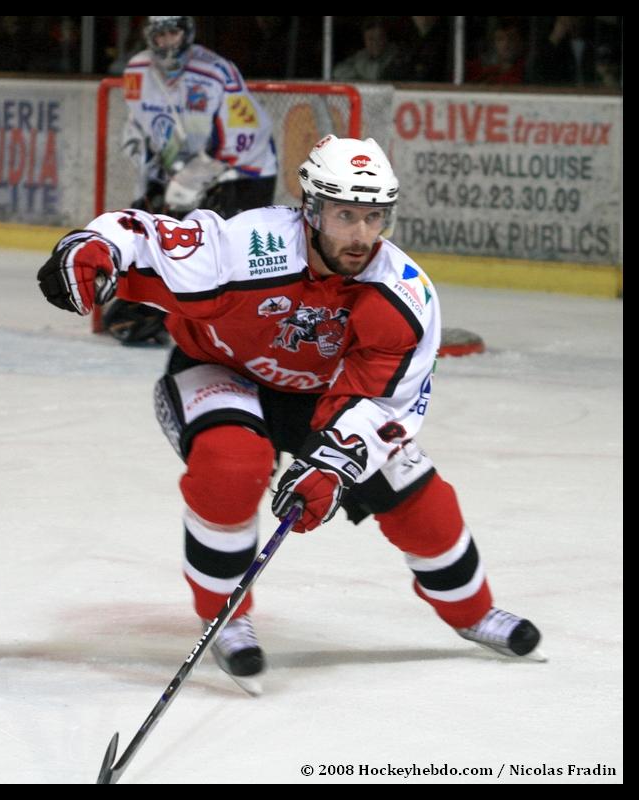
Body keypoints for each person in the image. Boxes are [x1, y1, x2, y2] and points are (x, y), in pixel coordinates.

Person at [37, 134, 543, 695]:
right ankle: (226, 617)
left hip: (324, 398)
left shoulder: (401, 294)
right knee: (232, 465)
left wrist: (332, 464)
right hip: (219, 370)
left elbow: (382, 400)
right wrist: (91, 248)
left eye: (374, 217)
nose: (361, 235)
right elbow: (148, 237)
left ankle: (473, 612)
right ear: (313, 209)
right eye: (345, 215)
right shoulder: (249, 245)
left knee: (421, 500)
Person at [106, 15, 278, 346]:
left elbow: (244, 137)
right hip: (183, 169)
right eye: (160, 35)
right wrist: (151, 170)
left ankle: (236, 324)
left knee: (225, 251)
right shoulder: (137, 71)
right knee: (145, 225)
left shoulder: (215, 72)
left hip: (244, 171)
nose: (167, 42)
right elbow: (141, 128)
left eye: (173, 33)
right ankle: (158, 310)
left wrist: (193, 178)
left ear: (187, 33)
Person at [333, 17, 401, 82]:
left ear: (386, 39)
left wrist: (359, 71)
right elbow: (337, 72)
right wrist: (360, 75)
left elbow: (375, 76)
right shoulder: (361, 55)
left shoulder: (397, 56)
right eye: (370, 39)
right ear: (364, 40)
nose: (375, 43)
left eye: (380, 38)